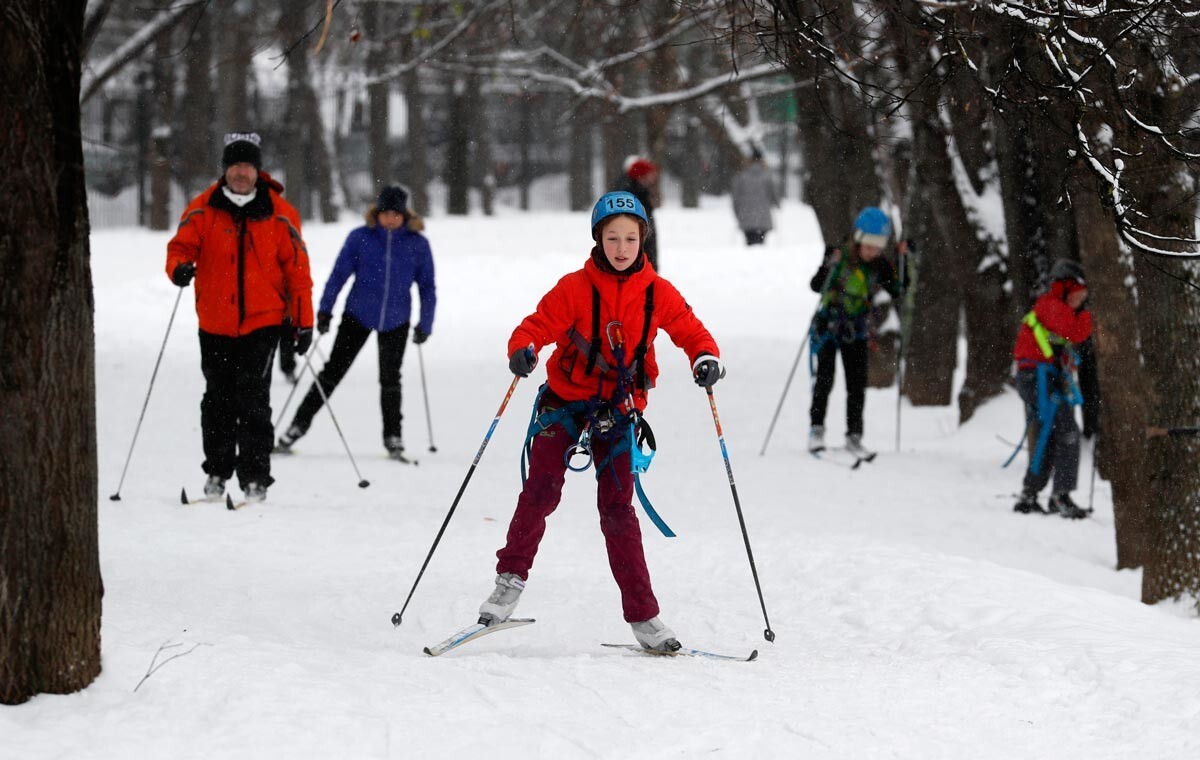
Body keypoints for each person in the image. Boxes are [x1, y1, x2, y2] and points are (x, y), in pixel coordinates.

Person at [475, 190, 723, 652]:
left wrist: (705, 356)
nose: (622, 247)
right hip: (565, 403)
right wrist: (523, 349)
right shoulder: (574, 287)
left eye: (631, 238)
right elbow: (536, 325)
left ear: (643, 240)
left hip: (620, 412)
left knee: (617, 511)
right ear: (598, 239)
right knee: (541, 489)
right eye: (613, 238)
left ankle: (645, 617)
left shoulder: (658, 292)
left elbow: (691, 331)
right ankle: (509, 580)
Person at [166, 132, 314, 503]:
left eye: (247, 166)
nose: (240, 173)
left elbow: (298, 272)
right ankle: (216, 471)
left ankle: (255, 478)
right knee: (216, 400)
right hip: (214, 322)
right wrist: (179, 268)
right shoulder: (203, 207)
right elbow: (180, 247)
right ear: (226, 170)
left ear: (257, 170)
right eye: (234, 166)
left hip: (262, 323)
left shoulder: (281, 213)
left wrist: (303, 321)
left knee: (253, 401)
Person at [276, 185, 436, 460]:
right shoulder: (360, 238)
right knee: (331, 373)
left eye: (396, 214)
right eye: (386, 213)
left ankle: (393, 437)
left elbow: (427, 287)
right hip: (357, 315)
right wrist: (325, 311)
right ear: (377, 213)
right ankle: (295, 428)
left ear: (405, 215)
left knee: (390, 380)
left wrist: (426, 323)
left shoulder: (417, 243)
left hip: (397, 319)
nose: (390, 219)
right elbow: (338, 275)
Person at [807, 206, 902, 459]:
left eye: (878, 247)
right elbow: (816, 286)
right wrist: (828, 265)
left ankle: (854, 435)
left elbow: (897, 289)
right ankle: (816, 430)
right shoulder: (838, 254)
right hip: (829, 327)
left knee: (857, 384)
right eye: (868, 245)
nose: (872, 252)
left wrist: (904, 259)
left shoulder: (881, 265)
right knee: (825, 380)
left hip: (857, 330)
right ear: (858, 238)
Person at [1011, 258, 1094, 519]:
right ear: (1065, 288)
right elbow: (1074, 331)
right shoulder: (1051, 305)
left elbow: (1073, 333)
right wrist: (1092, 315)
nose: (1080, 302)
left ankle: (1030, 493)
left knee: (1049, 432)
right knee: (1067, 432)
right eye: (1078, 296)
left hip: (1045, 377)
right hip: (1038, 377)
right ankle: (1060, 495)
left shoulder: (1057, 307)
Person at [614, 156, 659, 270]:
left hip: (644, 259)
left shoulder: (642, 193)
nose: (653, 177)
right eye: (649, 174)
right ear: (641, 176)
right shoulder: (632, 196)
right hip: (637, 262)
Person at [731, 147, 778, 246]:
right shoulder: (767, 176)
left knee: (750, 244)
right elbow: (773, 195)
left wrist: (737, 212)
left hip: (746, 217)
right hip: (763, 218)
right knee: (760, 244)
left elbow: (736, 197)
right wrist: (777, 204)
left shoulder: (742, 176)